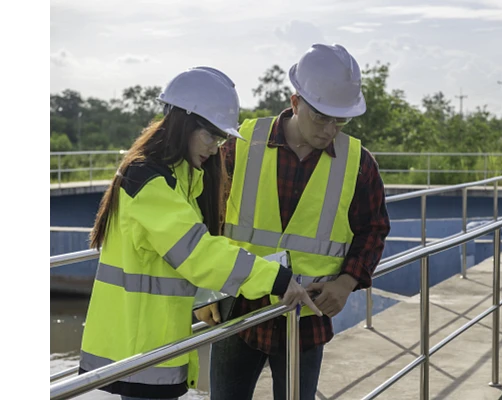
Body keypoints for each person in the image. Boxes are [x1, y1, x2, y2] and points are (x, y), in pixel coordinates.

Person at [78, 66, 321, 400]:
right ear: (184, 122)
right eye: (211, 135)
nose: (215, 147)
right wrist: (277, 279)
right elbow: (197, 252)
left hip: (156, 342)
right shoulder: (147, 181)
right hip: (138, 347)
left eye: (220, 138)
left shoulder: (180, 177)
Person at [194, 44, 391, 400]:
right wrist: (203, 293)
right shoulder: (241, 145)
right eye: (321, 117)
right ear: (296, 102)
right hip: (238, 307)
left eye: (340, 120)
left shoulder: (358, 163)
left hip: (306, 316)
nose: (330, 129)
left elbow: (373, 230)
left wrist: (347, 282)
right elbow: (206, 219)